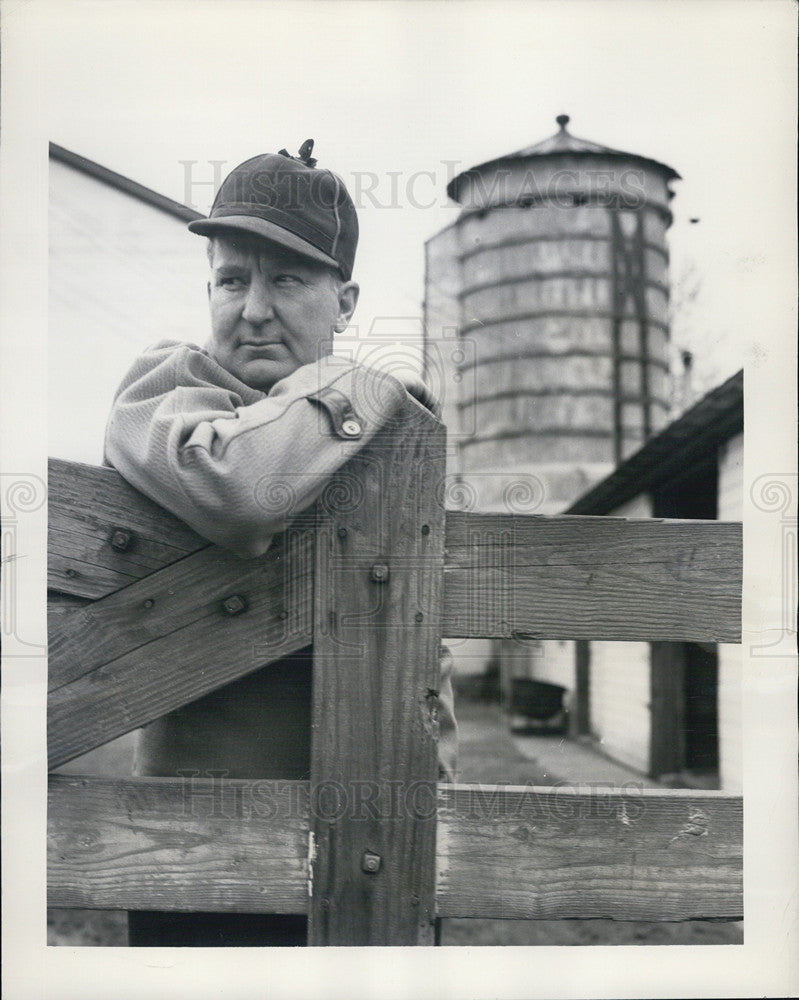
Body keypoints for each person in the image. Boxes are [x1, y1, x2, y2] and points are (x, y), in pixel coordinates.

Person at [104, 141, 457, 946]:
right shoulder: (164, 388)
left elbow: (427, 658)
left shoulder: (396, 439)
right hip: (195, 847)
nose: (253, 308)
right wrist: (355, 386)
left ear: (346, 300)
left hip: (373, 843)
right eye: (232, 279)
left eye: (287, 279)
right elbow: (234, 488)